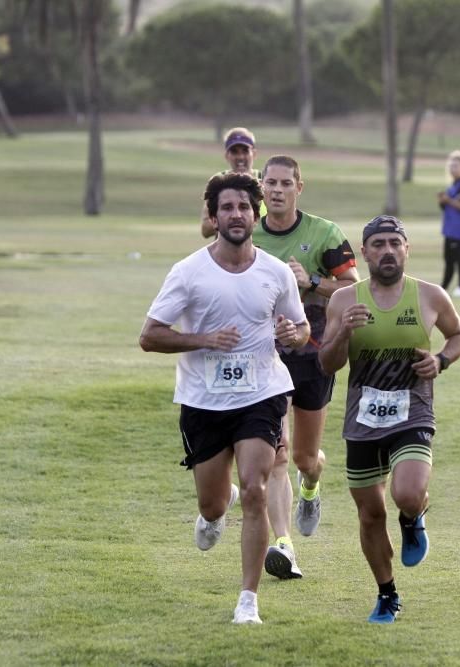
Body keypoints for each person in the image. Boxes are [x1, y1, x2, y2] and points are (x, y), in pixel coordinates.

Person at [140, 171, 311, 624]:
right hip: (204, 400)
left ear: (255, 214)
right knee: (212, 504)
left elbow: (300, 328)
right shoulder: (188, 272)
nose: (237, 215)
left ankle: (248, 601)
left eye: (243, 207)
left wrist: (295, 333)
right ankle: (219, 505)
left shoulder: (275, 272)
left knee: (257, 488)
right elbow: (150, 336)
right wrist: (203, 339)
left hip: (262, 393)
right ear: (213, 217)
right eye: (227, 208)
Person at [318, 215, 460, 624]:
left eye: (394, 243)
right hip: (362, 419)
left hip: (412, 411)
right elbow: (327, 364)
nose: (387, 250)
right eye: (378, 244)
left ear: (407, 249)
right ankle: (387, 594)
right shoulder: (344, 300)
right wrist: (344, 334)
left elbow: (459, 336)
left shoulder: (430, 296)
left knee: (406, 492)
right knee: (369, 514)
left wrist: (440, 360)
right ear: (364, 252)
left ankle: (413, 516)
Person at [252, 155, 359, 580]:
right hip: (263, 359)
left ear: (300, 187)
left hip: (314, 355)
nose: (276, 190)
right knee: (276, 456)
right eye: (270, 182)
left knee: (303, 457)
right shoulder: (249, 232)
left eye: (285, 183)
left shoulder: (324, 233)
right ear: (261, 187)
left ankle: (311, 485)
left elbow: (353, 289)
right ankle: (283, 544)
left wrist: (311, 282)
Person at [200, 127, 266, 238]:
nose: (240, 157)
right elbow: (205, 230)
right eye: (234, 152)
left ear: (254, 154)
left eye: (245, 151)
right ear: (227, 155)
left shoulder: (267, 181)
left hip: (262, 251)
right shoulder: (219, 183)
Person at [437, 150, 460, 297]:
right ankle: (443, 288)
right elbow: (448, 206)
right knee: (448, 259)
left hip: (459, 229)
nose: (453, 168)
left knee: (459, 258)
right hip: (449, 228)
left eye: (456, 166)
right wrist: (442, 201)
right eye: (451, 165)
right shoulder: (453, 185)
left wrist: (449, 200)